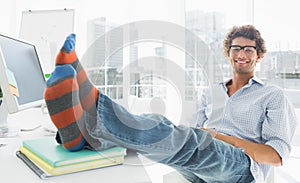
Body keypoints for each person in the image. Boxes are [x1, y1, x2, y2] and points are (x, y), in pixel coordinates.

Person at [44, 25, 297, 183]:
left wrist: (224, 138)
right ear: (228, 52)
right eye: (236, 48)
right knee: (160, 135)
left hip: (240, 169)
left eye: (249, 50)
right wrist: (202, 136)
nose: (241, 54)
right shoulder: (212, 93)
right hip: (201, 166)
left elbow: (276, 156)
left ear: (259, 56)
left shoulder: (272, 95)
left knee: (177, 136)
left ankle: (92, 103)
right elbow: (188, 136)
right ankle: (82, 137)